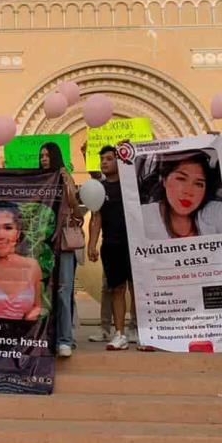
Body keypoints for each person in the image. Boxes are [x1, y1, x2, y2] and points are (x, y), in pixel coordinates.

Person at [87, 145, 133, 351]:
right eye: (102, 159)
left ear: (119, 161)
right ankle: (120, 334)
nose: (104, 162)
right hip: (111, 245)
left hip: (134, 246)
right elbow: (96, 217)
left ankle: (144, 331)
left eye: (109, 158)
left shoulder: (131, 185)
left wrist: (129, 149)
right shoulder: (99, 188)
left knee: (137, 289)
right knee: (117, 289)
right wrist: (92, 244)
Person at [40, 141, 80, 357]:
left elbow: (75, 205)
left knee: (63, 292)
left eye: (47, 155)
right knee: (43, 292)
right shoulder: (38, 180)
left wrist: (67, 180)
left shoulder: (64, 177)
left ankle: (65, 339)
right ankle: (46, 337)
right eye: (41, 155)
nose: (44, 159)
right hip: (43, 243)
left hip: (63, 242)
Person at [143, 153, 222, 239]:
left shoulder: (214, 212)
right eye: (181, 179)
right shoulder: (142, 217)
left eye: (198, 184)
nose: (189, 191)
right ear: (164, 180)